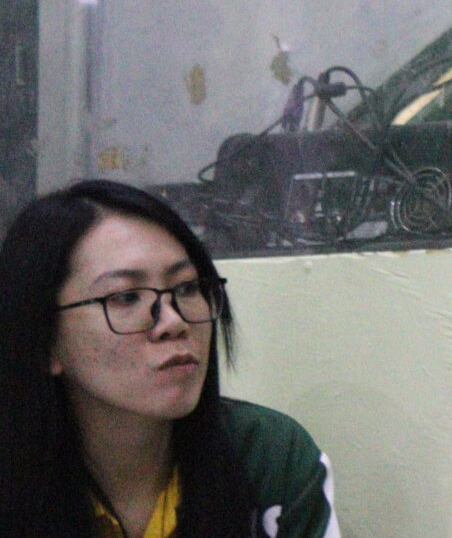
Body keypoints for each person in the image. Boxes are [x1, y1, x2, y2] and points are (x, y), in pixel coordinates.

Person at [0, 180, 340, 538]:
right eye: (126, 297)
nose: (173, 322)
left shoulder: (268, 455)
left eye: (187, 288)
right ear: (44, 339)